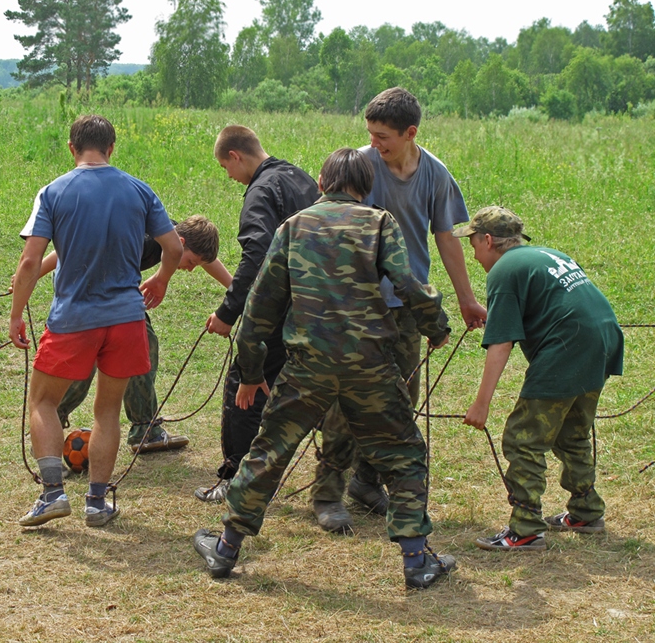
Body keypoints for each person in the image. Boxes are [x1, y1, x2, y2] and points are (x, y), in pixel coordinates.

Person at [193, 148, 457, 590]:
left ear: (321, 183)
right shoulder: (379, 222)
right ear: (366, 188)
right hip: (369, 365)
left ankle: (225, 549)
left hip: (307, 365)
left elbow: (260, 308)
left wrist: (252, 370)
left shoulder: (293, 228)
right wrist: (435, 326)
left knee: (269, 451)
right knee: (404, 454)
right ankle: (416, 561)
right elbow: (409, 283)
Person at [310, 87, 488, 534]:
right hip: (359, 305)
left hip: (407, 305)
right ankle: (328, 494)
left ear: (411, 133)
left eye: (383, 136)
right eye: (369, 133)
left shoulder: (435, 175)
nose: (374, 143)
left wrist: (466, 298)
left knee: (401, 400)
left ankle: (368, 483)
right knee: (346, 400)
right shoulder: (361, 168)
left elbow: (446, 237)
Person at [10, 114, 182, 528]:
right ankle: (96, 502)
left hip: (74, 318)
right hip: (126, 319)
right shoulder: (139, 190)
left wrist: (16, 313)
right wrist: (159, 280)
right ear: (112, 148)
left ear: (72, 148)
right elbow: (173, 246)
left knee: (44, 402)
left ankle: (52, 494)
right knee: (107, 412)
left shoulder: (53, 191)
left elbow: (31, 259)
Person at [454, 206, 623, 551]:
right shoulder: (546, 255)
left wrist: (481, 404)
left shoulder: (503, 270)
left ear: (488, 240)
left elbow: (501, 344)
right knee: (569, 432)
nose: (473, 255)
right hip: (603, 338)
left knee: (523, 438)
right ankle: (586, 512)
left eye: (472, 245)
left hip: (568, 346)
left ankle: (526, 528)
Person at [194, 125, 320, 504]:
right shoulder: (300, 178)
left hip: (278, 309)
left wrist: (228, 311)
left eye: (225, 167)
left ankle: (237, 477)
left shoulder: (260, 192)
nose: (229, 176)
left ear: (236, 155)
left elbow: (256, 256)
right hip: (316, 307)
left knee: (244, 388)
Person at [36, 215, 232, 452]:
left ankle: (144, 430)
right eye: (191, 262)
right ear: (179, 243)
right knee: (87, 358)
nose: (191, 270)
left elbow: (207, 260)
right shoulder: (140, 240)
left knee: (143, 345)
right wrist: (33, 273)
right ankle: (49, 420)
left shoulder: (170, 233)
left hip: (115, 289)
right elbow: (71, 249)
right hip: (81, 287)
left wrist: (239, 291)